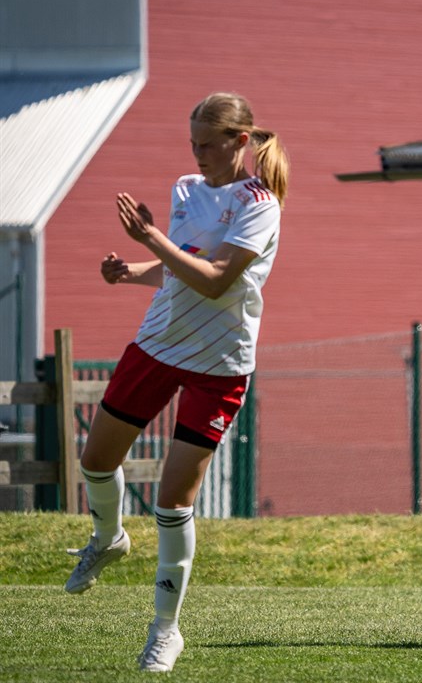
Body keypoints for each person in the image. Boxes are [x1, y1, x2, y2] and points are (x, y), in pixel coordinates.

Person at [64, 92, 289, 672]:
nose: (198, 154)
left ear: (241, 142)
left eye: (208, 144)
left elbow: (215, 281)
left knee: (172, 501)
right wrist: (131, 272)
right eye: (192, 143)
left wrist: (149, 238)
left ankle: (165, 631)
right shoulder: (186, 188)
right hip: (158, 345)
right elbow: (179, 267)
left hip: (219, 364)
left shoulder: (260, 203)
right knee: (95, 461)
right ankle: (109, 538)